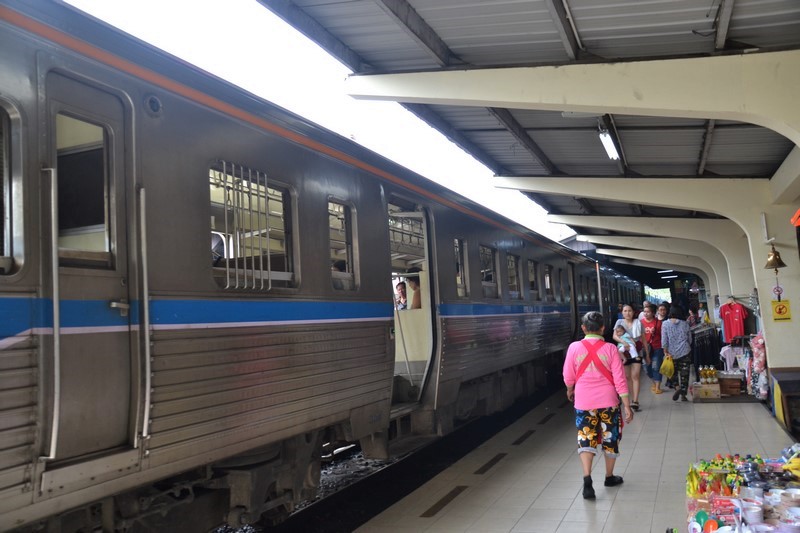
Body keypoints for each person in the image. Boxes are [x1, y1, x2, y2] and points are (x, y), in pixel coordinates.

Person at [563, 311, 633, 500]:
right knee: (610, 438)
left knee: (586, 438)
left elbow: (568, 375)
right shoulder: (611, 349)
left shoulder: (574, 348)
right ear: (603, 328)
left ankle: (587, 478)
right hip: (608, 402)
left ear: (583, 328)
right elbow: (620, 380)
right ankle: (609, 477)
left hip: (583, 401)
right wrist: (627, 406)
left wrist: (570, 389)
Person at [613, 304, 644, 411]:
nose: (627, 313)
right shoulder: (619, 322)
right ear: (622, 313)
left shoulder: (638, 322)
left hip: (636, 351)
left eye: (629, 310)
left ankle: (635, 401)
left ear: (633, 312)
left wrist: (647, 354)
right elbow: (614, 336)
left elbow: (643, 339)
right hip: (624, 352)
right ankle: (631, 399)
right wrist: (624, 342)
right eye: (625, 311)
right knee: (627, 377)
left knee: (635, 376)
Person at [662, 306, 693, 401]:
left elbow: (664, 339)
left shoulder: (665, 324)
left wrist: (665, 350)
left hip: (671, 353)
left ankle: (677, 387)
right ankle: (683, 395)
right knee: (684, 374)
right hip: (685, 351)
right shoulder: (685, 324)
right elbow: (690, 339)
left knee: (671, 372)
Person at [641, 304, 664, 394]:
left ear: (653, 313)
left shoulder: (658, 323)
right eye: (644, 312)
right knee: (646, 368)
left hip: (657, 347)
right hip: (644, 348)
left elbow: (663, 336)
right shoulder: (640, 322)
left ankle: (658, 387)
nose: (646, 313)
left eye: (648, 312)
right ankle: (654, 383)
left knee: (656, 367)